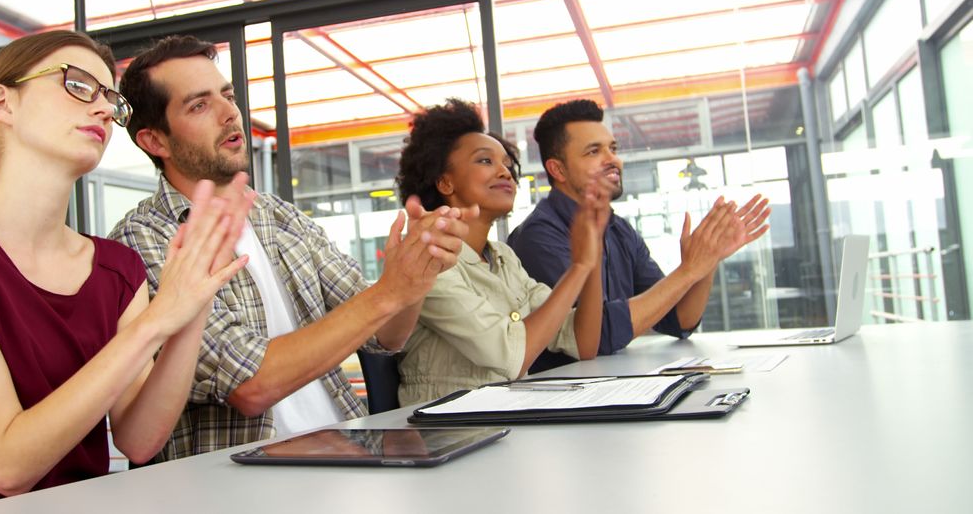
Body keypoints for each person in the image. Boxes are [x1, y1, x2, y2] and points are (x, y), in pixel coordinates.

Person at [0, 31, 250, 514]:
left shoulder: (114, 268)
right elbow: (6, 465)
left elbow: (140, 440)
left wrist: (195, 296)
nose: (104, 109)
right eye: (78, 85)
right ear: (3, 102)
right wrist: (157, 318)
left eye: (111, 98)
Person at [109, 35, 469, 460]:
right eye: (199, 105)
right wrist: (389, 291)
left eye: (227, 95)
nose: (230, 114)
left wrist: (413, 278)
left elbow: (384, 336)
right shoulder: (143, 239)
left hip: (352, 449)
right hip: (241, 485)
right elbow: (250, 385)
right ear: (155, 142)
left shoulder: (280, 217)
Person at [507, 99, 771, 372]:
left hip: (613, 384)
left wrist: (708, 259)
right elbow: (596, 337)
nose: (612, 160)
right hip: (564, 397)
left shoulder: (619, 230)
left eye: (613, 148)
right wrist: (688, 271)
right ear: (558, 170)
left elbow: (678, 319)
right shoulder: (538, 237)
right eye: (594, 151)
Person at [393, 98, 613, 406]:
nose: (505, 172)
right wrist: (579, 266)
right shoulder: (430, 263)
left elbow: (583, 341)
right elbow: (513, 355)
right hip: (448, 437)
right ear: (444, 181)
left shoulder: (504, 258)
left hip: (506, 422)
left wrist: (590, 259)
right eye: (485, 161)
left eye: (507, 165)